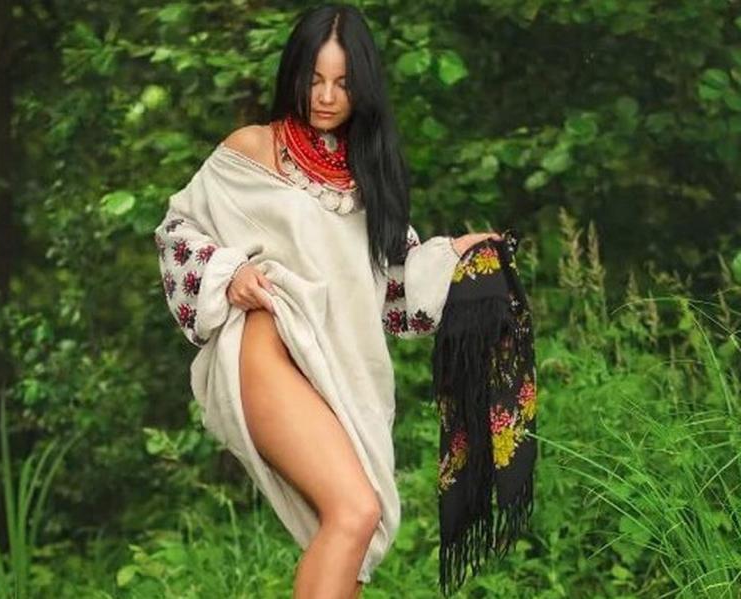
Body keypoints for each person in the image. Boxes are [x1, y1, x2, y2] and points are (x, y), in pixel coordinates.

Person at [153, 4, 501, 598]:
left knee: (350, 544)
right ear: (294, 73)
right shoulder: (253, 148)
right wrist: (229, 274)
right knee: (354, 510)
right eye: (314, 79)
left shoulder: (370, 179)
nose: (326, 96)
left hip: (340, 370)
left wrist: (456, 253)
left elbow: (394, 294)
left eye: (343, 82)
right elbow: (177, 232)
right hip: (269, 346)